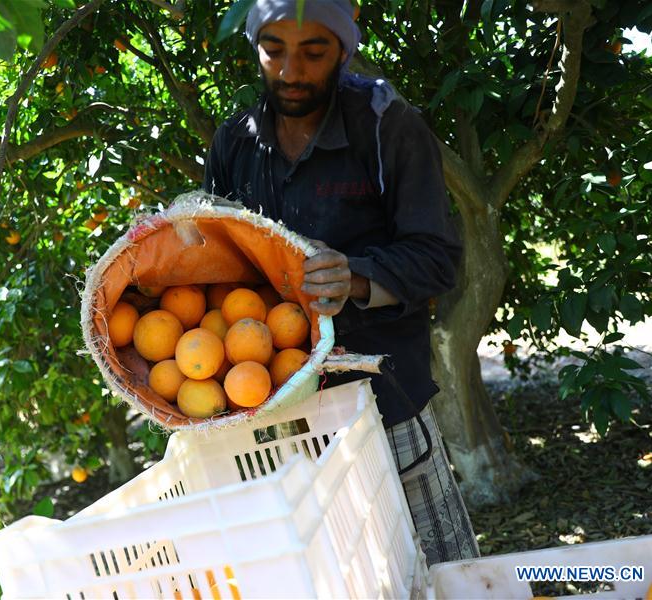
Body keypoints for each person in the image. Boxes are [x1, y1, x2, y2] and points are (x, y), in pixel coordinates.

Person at [202, 0, 479, 565]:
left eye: (313, 51)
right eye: (273, 50)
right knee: (322, 571)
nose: (290, 71)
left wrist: (355, 277)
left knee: (434, 570)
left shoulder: (387, 128)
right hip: (268, 412)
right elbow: (218, 269)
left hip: (381, 405)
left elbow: (437, 258)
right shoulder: (236, 142)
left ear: (344, 49)